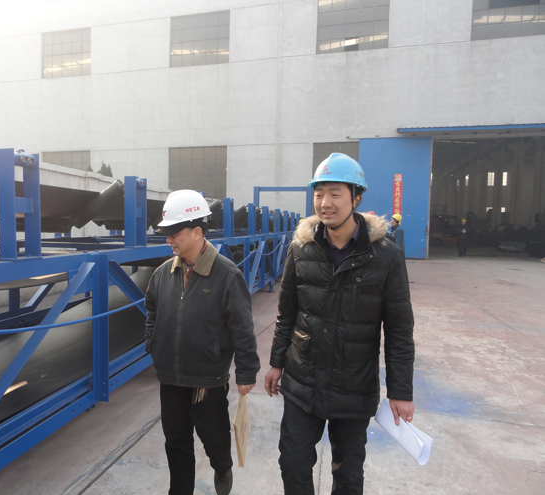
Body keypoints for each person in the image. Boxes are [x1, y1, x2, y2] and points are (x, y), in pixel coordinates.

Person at [264, 153, 415, 495]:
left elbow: (399, 330)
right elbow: (287, 312)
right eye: (319, 194)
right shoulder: (301, 249)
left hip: (353, 385)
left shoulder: (386, 256)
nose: (324, 203)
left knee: (347, 474)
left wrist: (401, 391)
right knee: (293, 464)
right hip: (303, 380)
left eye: (335, 194)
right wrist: (276, 363)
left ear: (356, 198)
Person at [145, 189, 260, 495]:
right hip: (170, 378)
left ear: (197, 232)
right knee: (176, 442)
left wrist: (246, 372)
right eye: (167, 233)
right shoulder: (163, 274)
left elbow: (242, 328)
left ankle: (222, 468)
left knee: (215, 439)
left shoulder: (227, 275)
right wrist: (152, 344)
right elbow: (152, 310)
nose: (169, 239)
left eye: (175, 233)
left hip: (207, 380)